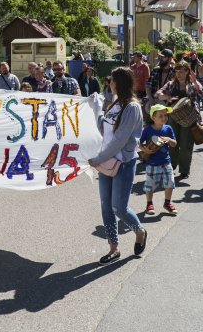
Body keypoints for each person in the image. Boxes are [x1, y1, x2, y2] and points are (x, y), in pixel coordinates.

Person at [88, 67, 147, 264]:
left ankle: (139, 231)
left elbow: (119, 140)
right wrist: (94, 107)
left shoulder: (132, 107)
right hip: (106, 162)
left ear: (119, 83)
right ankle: (114, 248)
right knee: (106, 207)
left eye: (111, 80)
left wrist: (98, 159)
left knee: (119, 208)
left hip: (122, 163)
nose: (109, 83)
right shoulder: (114, 104)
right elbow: (103, 130)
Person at [156, 61, 203, 179]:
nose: (178, 74)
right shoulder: (171, 84)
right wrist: (167, 97)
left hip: (189, 118)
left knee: (186, 145)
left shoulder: (193, 84)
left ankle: (184, 171)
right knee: (172, 142)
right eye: (176, 71)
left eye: (181, 71)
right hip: (172, 117)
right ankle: (171, 166)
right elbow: (158, 93)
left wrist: (196, 82)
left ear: (187, 72)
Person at [140, 104, 178, 215]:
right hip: (152, 163)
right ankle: (149, 204)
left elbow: (175, 144)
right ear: (153, 118)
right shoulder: (147, 130)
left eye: (165, 115)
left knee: (170, 183)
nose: (164, 118)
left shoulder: (168, 129)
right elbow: (138, 143)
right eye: (160, 116)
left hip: (166, 162)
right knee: (150, 185)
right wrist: (145, 150)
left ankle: (167, 203)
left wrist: (169, 139)